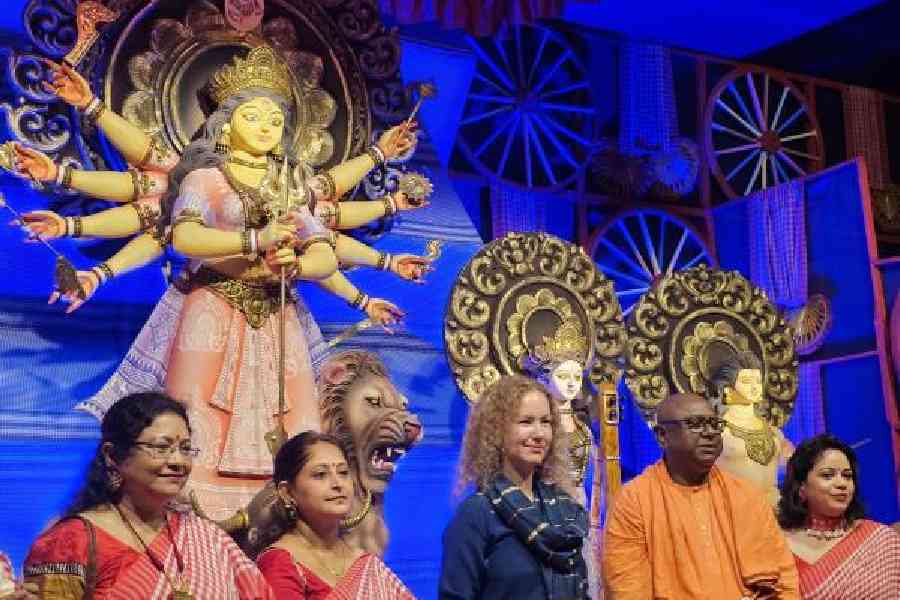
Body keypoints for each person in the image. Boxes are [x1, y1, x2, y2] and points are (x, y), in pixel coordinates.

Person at [71, 45, 426, 519]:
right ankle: (184, 527)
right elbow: (185, 236)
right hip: (211, 309)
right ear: (225, 121)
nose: (265, 127)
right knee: (194, 420)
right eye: (253, 115)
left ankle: (290, 521)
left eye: (275, 120)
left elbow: (324, 247)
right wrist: (256, 238)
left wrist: (299, 266)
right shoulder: (205, 178)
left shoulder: (290, 186)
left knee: (293, 424)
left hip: (279, 315)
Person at [23, 392, 275, 599]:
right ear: (113, 456)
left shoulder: (206, 537)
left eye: (185, 449)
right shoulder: (72, 541)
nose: (178, 461)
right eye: (161, 448)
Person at [602, 392, 799, 599]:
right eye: (695, 424)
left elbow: (784, 578)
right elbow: (627, 588)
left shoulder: (745, 495)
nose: (710, 433)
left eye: (714, 424)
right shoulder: (634, 501)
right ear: (662, 435)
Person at [439, 375, 590, 600]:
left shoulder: (565, 508)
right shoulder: (477, 515)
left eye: (546, 422)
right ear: (496, 431)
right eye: (526, 422)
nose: (539, 434)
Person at [255, 431, 415, 599]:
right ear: (287, 493)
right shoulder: (280, 563)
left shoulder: (364, 563)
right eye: (320, 474)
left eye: (343, 472)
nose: (338, 484)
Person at [778, 434, 900, 598]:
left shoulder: (881, 540)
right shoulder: (778, 544)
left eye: (847, 476)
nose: (842, 484)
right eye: (828, 475)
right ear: (801, 487)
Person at [709, 351, 793, 505]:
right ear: (727, 389)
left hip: (775, 514)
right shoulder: (716, 432)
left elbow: (792, 466)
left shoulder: (774, 431)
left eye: (758, 381)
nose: (755, 387)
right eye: (747, 381)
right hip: (735, 514)